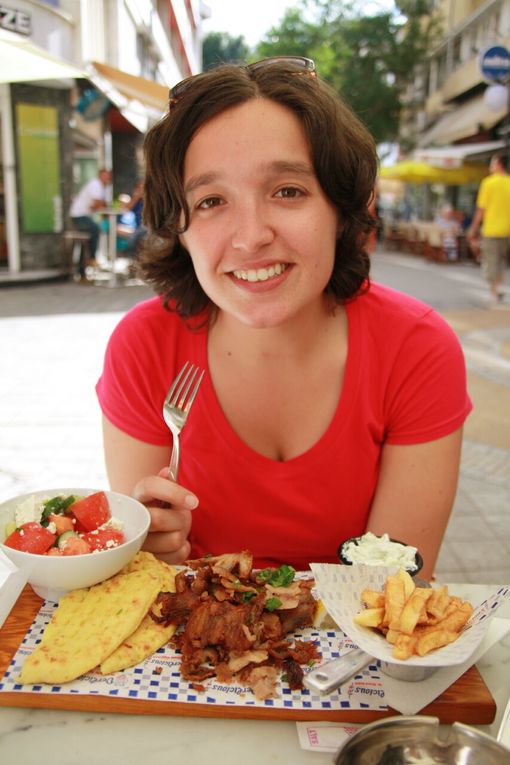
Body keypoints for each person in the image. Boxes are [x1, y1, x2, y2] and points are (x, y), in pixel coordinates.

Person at [96, 57, 472, 580]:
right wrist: (148, 553)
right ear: (178, 228)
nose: (250, 237)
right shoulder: (144, 345)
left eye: (288, 191)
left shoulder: (415, 347)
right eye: (210, 201)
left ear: (341, 209)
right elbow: (144, 579)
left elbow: (394, 590)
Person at [467, 153, 510, 303]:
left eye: (492, 163)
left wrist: (473, 228)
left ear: (498, 164)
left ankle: (493, 290)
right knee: (501, 260)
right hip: (506, 230)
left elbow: (481, 209)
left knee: (490, 260)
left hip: (491, 229)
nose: (491, 166)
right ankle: (496, 288)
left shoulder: (488, 183)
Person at [70, 168, 112, 281]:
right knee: (94, 229)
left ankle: (83, 271)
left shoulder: (103, 187)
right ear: (100, 176)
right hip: (79, 216)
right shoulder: (96, 185)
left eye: (108, 176)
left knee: (88, 239)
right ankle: (92, 258)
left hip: (82, 215)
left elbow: (98, 205)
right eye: (105, 176)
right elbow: (98, 204)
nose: (107, 178)